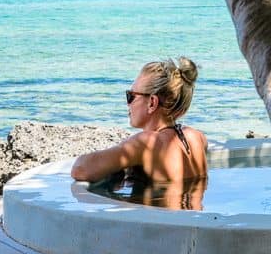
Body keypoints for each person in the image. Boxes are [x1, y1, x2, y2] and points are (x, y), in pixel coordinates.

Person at [71, 57, 208, 184]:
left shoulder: (146, 143)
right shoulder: (198, 138)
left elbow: (80, 169)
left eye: (131, 96)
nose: (128, 103)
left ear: (152, 103)